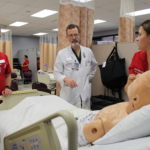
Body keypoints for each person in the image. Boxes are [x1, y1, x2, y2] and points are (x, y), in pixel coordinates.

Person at [54, 24, 97, 109]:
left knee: (85, 118)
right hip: (69, 95)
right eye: (71, 35)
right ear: (67, 37)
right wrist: (65, 79)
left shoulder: (88, 51)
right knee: (71, 119)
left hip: (85, 94)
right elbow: (56, 73)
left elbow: (94, 66)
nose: (74, 38)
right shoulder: (62, 54)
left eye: (76, 34)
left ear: (79, 35)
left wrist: (87, 78)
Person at [125, 20, 150, 92]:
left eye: (140, 34)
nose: (136, 38)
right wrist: (129, 82)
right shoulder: (137, 57)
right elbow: (127, 90)